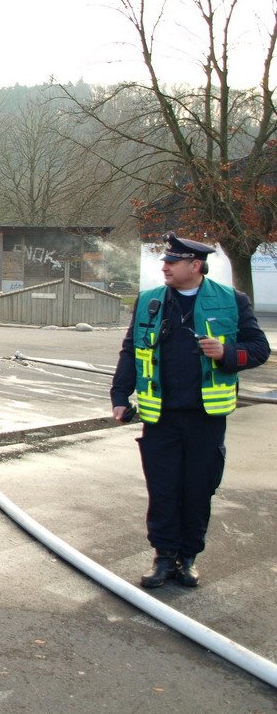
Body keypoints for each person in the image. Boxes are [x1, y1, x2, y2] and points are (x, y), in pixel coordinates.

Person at [110, 232, 270, 588]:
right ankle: (163, 558)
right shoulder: (150, 300)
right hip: (160, 417)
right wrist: (120, 395)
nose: (164, 267)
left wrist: (227, 354)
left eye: (172, 262)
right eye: (165, 261)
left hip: (205, 419)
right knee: (163, 490)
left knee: (198, 489)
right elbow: (130, 350)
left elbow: (259, 348)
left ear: (194, 266)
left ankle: (188, 558)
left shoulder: (232, 301)